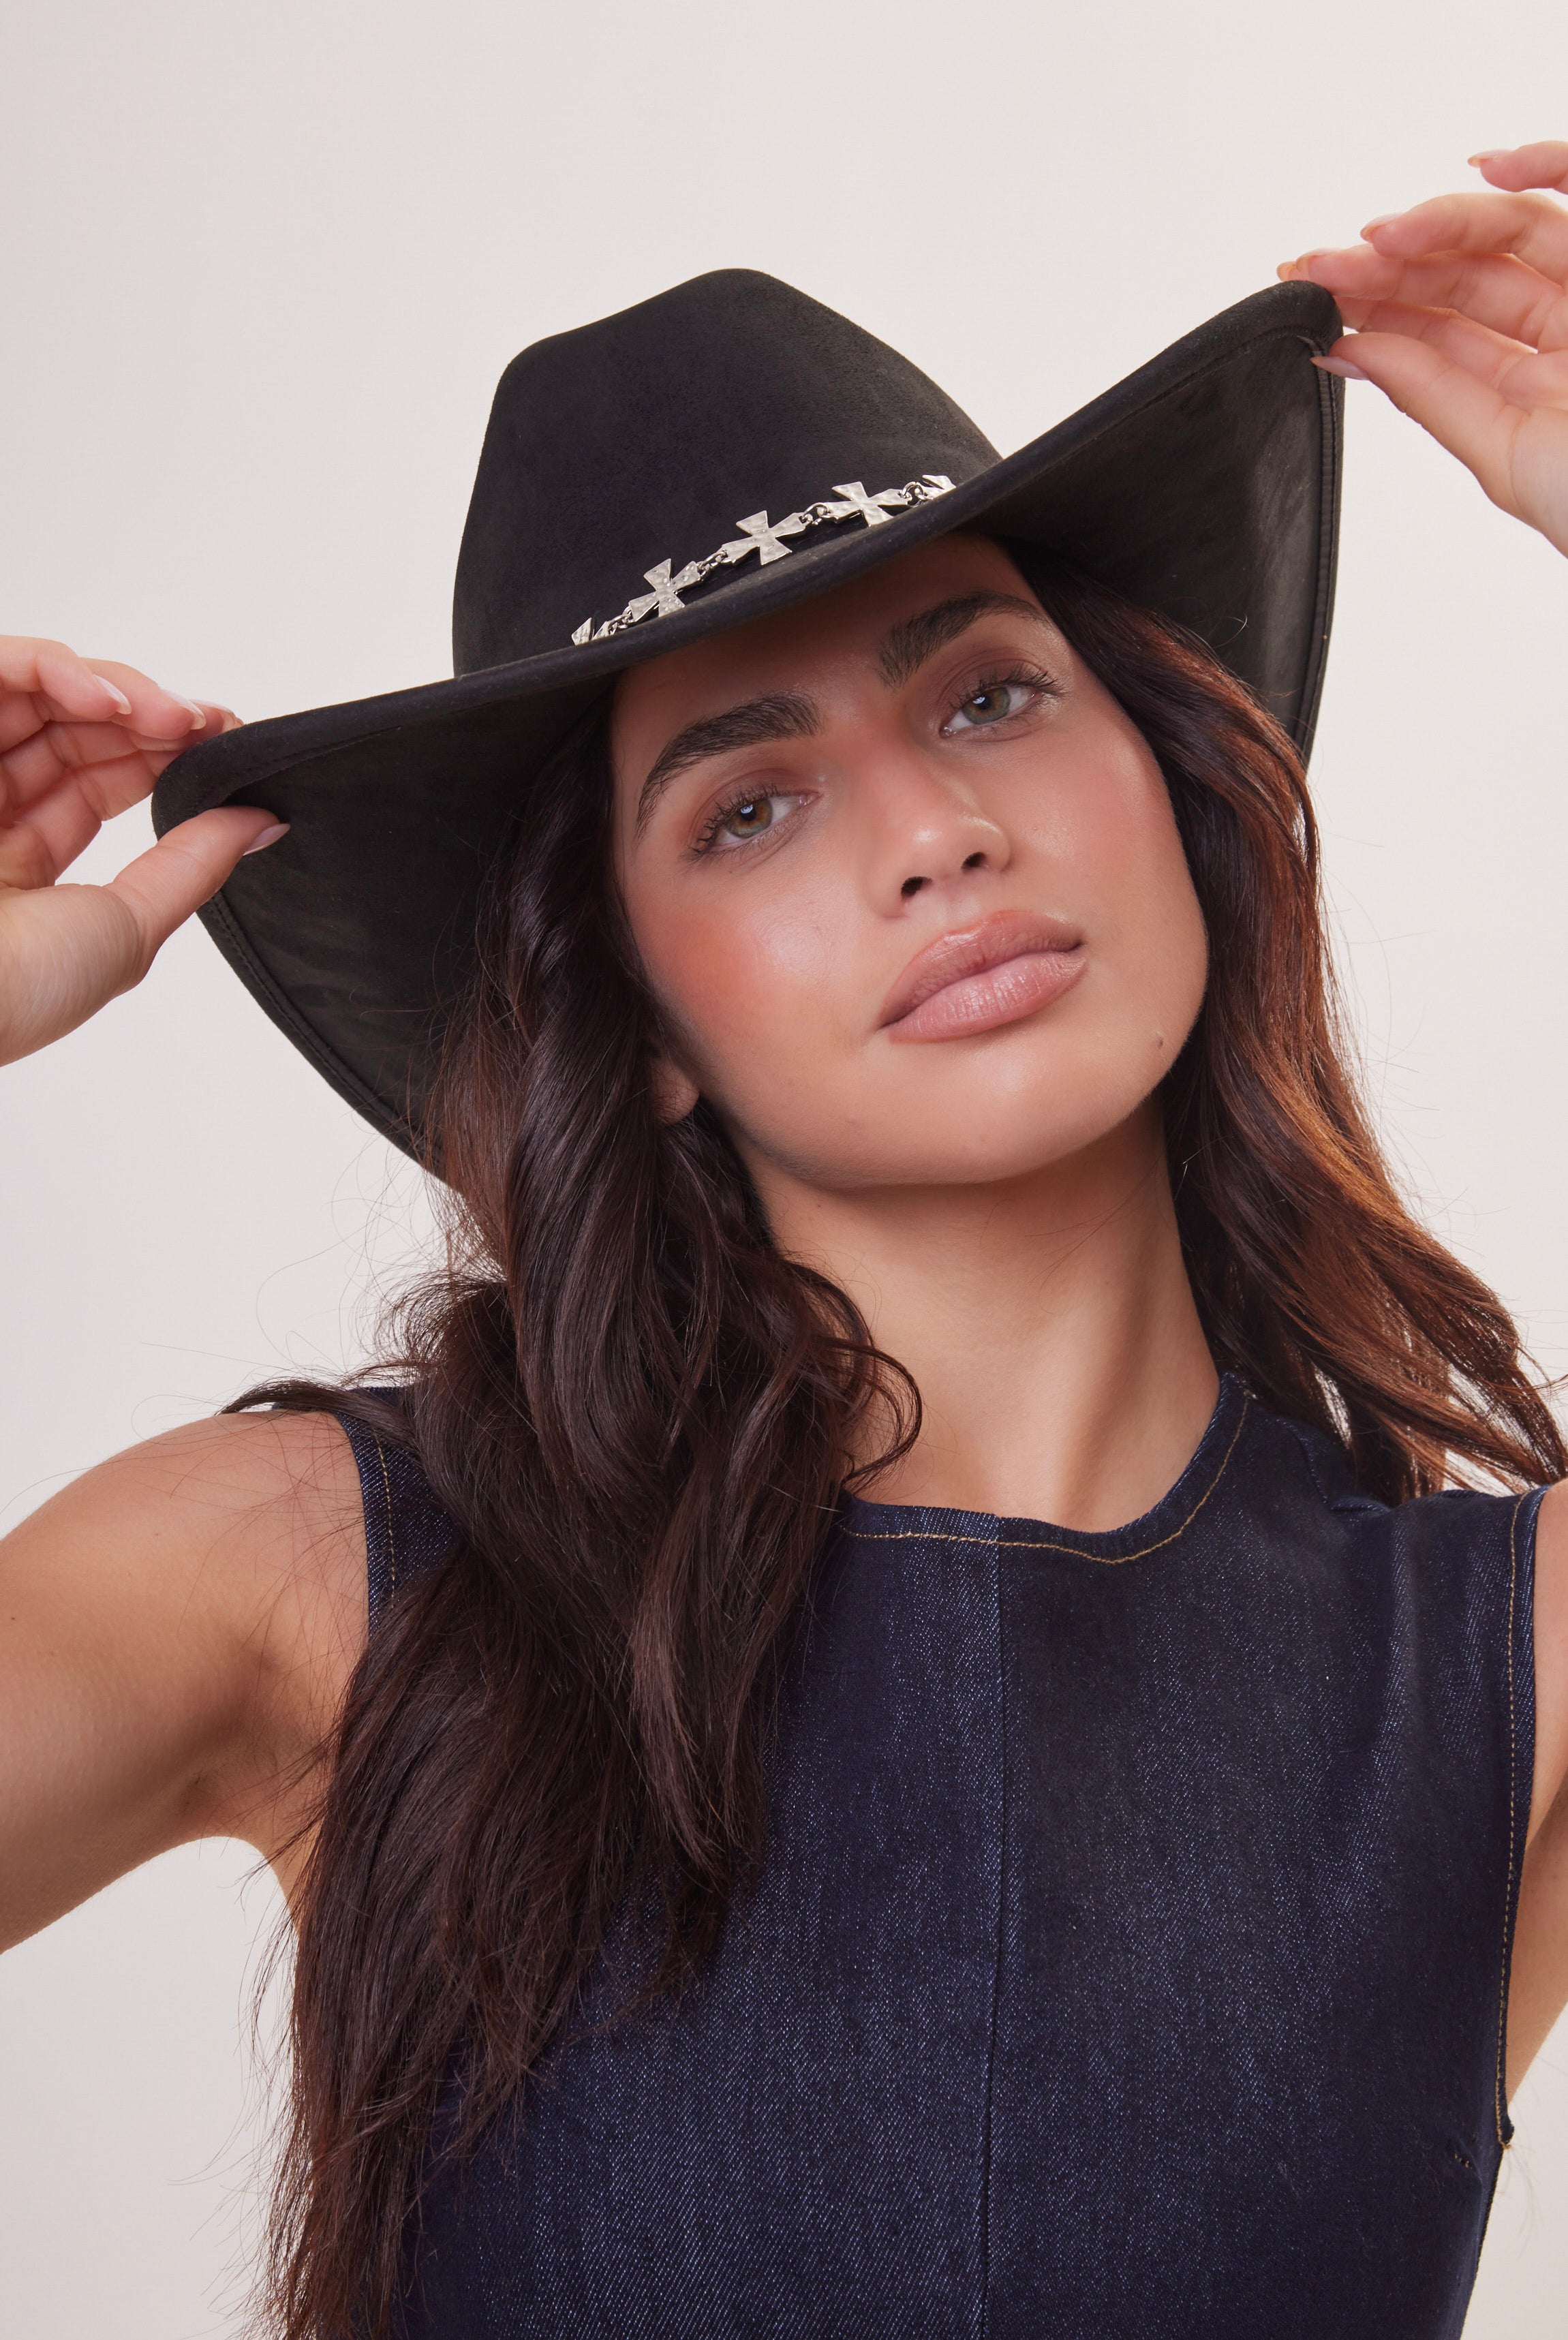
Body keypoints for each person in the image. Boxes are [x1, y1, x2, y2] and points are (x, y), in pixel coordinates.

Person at [3, 138, 1567, 2340]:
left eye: (990, 693)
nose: (933, 830)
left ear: (1171, 777)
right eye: (752, 802)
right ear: (630, 1022)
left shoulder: (1505, 1670)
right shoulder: (308, 1576)